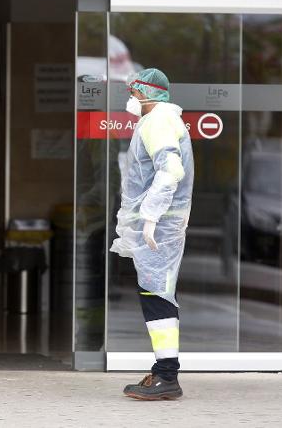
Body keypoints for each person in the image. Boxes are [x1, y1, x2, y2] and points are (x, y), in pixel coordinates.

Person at [110, 68, 194, 400]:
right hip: (163, 224)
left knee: (156, 295)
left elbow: (170, 169)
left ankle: (166, 375)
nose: (131, 98)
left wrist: (149, 216)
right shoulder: (161, 120)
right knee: (156, 293)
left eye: (134, 91)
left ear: (147, 93)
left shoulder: (159, 121)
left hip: (160, 226)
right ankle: (164, 372)